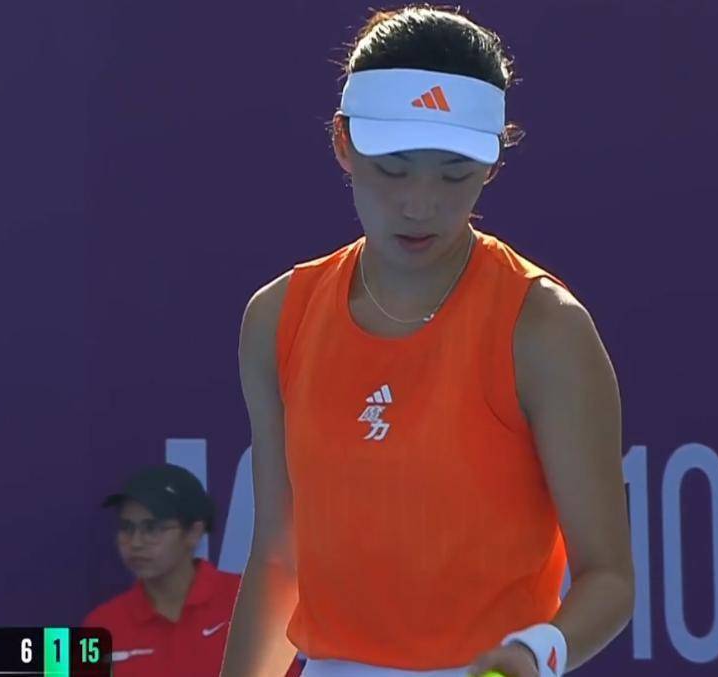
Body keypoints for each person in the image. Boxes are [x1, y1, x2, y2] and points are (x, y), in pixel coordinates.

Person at [222, 5, 634, 677]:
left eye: (454, 172)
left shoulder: (546, 329)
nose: (421, 203)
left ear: (492, 163)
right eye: (394, 169)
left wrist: (536, 653)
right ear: (343, 143)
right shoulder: (277, 318)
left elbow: (609, 576)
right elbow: (279, 559)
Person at [84, 464, 303, 677]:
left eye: (152, 528)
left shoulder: (249, 603)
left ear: (193, 532)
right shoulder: (97, 624)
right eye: (127, 528)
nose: (136, 542)